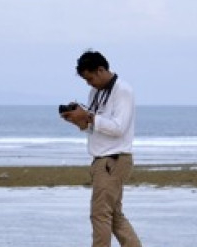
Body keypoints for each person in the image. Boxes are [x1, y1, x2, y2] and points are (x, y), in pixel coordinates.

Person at [60, 50, 143, 247]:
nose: (89, 83)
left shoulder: (123, 90)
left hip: (113, 159)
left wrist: (89, 117)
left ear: (101, 70)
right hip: (102, 159)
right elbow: (95, 129)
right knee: (114, 216)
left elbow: (118, 128)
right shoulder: (95, 93)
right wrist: (79, 121)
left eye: (90, 78)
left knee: (99, 214)